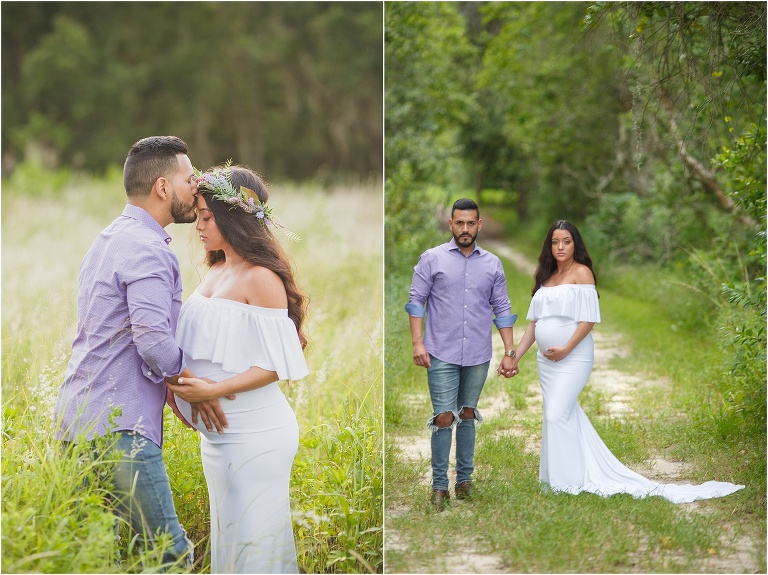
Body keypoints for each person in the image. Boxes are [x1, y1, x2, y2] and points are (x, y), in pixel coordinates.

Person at [53, 135, 219, 568]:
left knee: (106, 558)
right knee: (171, 555)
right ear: (163, 187)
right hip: (119, 430)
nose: (195, 187)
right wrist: (195, 385)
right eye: (188, 179)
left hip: (75, 424)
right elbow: (154, 343)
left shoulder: (108, 238)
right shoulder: (147, 249)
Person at [506, 219, 745, 502]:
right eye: (555, 242)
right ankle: (558, 478)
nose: (560, 247)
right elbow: (534, 325)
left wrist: (567, 348)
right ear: (549, 245)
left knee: (557, 413)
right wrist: (514, 357)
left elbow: (588, 320)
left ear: (575, 244)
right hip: (546, 363)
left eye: (566, 241)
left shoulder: (582, 273)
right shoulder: (545, 278)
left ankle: (567, 483)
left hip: (574, 357)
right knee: (559, 415)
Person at [165, 164, 309, 573]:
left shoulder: (261, 277)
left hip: (255, 433)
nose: (198, 225)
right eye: (198, 215)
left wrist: (211, 390)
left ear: (235, 218)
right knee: (231, 543)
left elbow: (276, 365)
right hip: (217, 438)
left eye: (208, 217)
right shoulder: (215, 271)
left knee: (256, 547)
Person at [406, 198, 518, 511]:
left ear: (479, 225)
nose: (465, 229)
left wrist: (510, 351)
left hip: (478, 353)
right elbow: (417, 302)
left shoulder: (493, 264)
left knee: (468, 413)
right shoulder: (432, 259)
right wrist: (418, 342)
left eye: (471, 223)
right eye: (459, 223)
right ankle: (439, 486)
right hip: (441, 350)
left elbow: (503, 308)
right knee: (444, 417)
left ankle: (465, 481)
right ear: (450, 224)